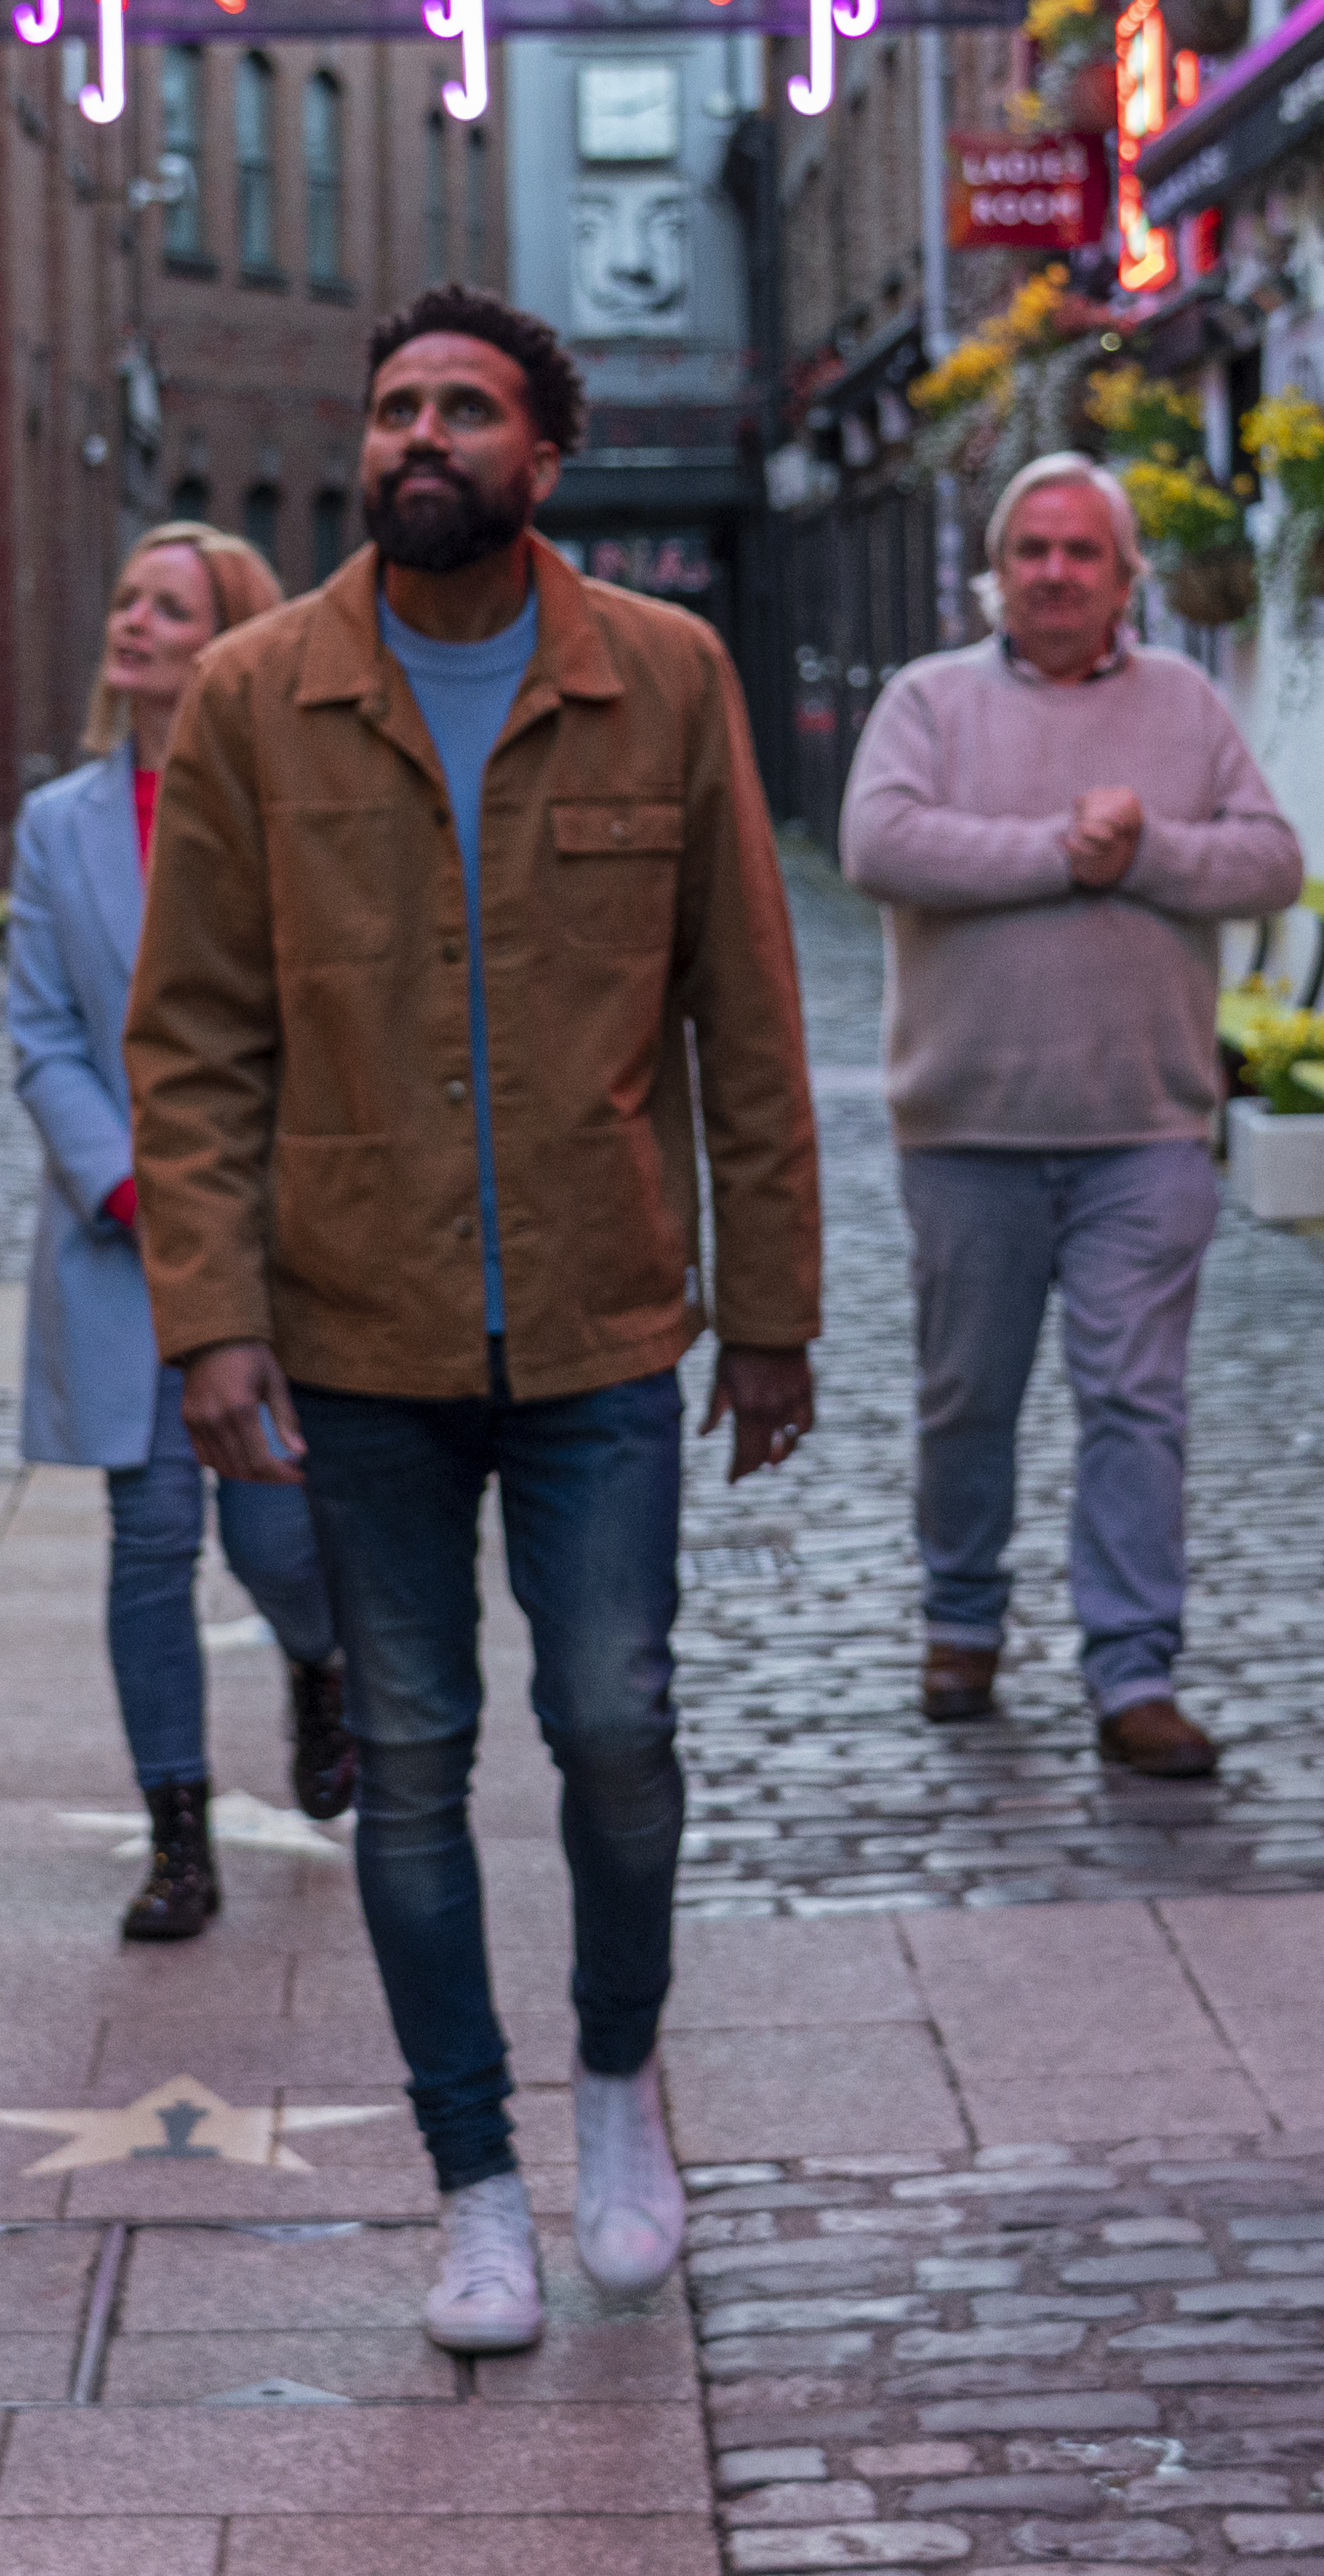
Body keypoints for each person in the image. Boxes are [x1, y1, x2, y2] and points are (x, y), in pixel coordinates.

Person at [127, 287, 823, 2360]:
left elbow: (751, 1024)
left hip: (606, 1323)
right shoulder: (255, 698)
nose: (420, 435)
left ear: (546, 455)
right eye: (396, 407)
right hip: (360, 1331)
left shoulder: (670, 682)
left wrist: (766, 1314)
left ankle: (617, 2089)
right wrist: (209, 1323)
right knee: (409, 1767)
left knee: (615, 1721)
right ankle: (477, 2187)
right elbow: (195, 1046)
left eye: (467, 409)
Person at [835, 450, 1304, 1780]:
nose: (1053, 572)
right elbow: (880, 845)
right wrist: (1063, 850)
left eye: (1081, 551)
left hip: (1143, 1132)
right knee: (966, 1398)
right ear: (997, 572)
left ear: (1124, 576)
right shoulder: (926, 703)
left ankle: (1133, 1673)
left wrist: (1147, 847)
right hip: (967, 1132)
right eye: (1031, 550)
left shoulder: (1185, 704)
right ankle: (961, 1621)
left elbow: (1270, 861)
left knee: (1135, 1404)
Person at [9, 520, 349, 1942]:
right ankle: (178, 1836)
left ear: (231, 642)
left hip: (271, 1249)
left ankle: (321, 1665)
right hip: (119, 1244)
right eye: (128, 597)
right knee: (147, 1542)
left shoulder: (299, 806)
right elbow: (41, 1036)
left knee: (275, 1540)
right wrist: (132, 1182)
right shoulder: (57, 824)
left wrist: (242, 1193)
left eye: (171, 606)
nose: (133, 623)